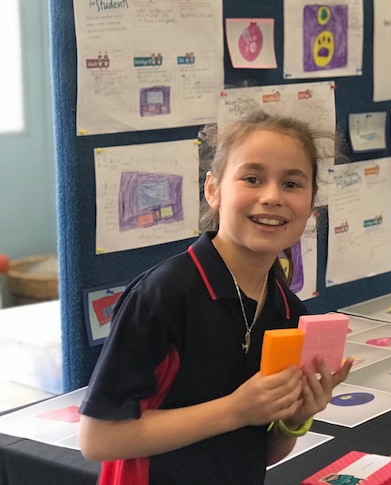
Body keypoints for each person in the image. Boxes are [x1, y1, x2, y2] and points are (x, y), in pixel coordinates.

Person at [78, 110, 353, 484]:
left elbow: (262, 451)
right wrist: (236, 410)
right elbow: (99, 438)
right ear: (213, 189)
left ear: (311, 204)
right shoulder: (163, 296)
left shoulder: (287, 310)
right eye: (252, 178)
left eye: (292, 183)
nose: (272, 196)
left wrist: (293, 417)